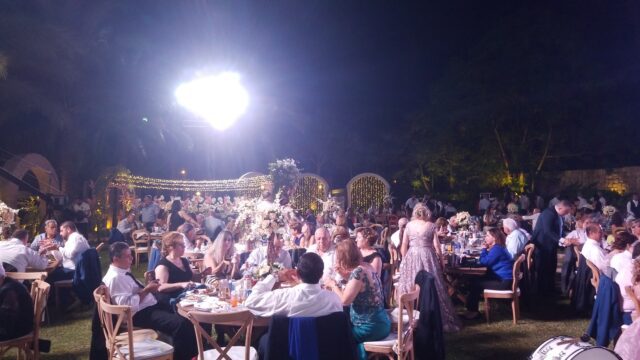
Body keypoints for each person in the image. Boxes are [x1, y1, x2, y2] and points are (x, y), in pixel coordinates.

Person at [102, 242, 197, 359]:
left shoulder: (120, 272)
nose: (131, 258)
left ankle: (194, 351)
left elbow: (131, 293)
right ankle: (183, 356)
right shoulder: (116, 278)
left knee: (187, 313)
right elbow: (126, 307)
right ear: (116, 259)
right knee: (180, 324)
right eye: (127, 256)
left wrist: (148, 287)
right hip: (138, 315)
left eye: (131, 255)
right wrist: (147, 290)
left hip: (147, 306)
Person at [398, 203, 461, 332]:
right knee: (433, 284)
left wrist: (404, 260)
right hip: (427, 255)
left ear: (415, 213)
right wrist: (441, 260)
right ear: (426, 213)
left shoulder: (409, 226)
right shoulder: (431, 226)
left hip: (412, 255)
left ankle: (411, 315)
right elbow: (437, 246)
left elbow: (404, 245)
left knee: (411, 283)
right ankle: (432, 315)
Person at [325, 240, 390, 360]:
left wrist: (333, 285)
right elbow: (360, 285)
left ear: (343, 258)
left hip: (369, 327)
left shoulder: (358, 272)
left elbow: (345, 301)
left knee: (337, 336)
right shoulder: (367, 266)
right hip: (382, 323)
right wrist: (344, 275)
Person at [245, 252, 343, 317]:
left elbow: (251, 301)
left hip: (291, 347)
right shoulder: (334, 300)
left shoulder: (286, 297)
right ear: (321, 275)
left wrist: (274, 276)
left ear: (298, 273)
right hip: (326, 347)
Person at [464, 228, 514, 319]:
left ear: (494, 238)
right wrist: (486, 250)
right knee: (473, 279)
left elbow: (484, 262)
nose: (485, 237)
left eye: (487, 236)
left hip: (503, 282)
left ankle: (473, 312)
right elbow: (487, 260)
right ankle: (471, 309)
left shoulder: (497, 249)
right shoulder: (498, 248)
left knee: (475, 283)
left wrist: (483, 250)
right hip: (502, 279)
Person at [530, 200, 572, 294]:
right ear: (560, 208)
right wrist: (561, 240)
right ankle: (541, 292)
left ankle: (549, 289)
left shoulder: (557, 215)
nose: (566, 214)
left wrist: (562, 239)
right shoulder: (548, 213)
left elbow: (558, 230)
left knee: (551, 267)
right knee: (543, 269)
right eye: (566, 211)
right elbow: (547, 231)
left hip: (550, 245)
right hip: (543, 246)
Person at [154, 232, 195, 307]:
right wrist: (181, 284)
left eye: (184, 244)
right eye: (181, 245)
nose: (184, 247)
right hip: (170, 299)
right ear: (171, 247)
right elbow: (160, 287)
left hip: (186, 296)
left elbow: (190, 276)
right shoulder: (163, 265)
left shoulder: (184, 261)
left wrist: (202, 274)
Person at [0, 265, 34, 341]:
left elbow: (7, 318)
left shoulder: (9, 291)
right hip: (17, 326)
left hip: (16, 330)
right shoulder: (8, 284)